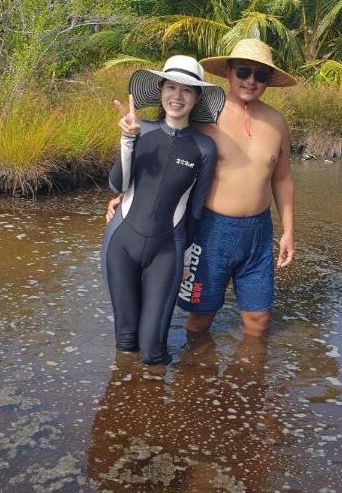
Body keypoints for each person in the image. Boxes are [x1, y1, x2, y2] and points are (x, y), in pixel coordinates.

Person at [109, 38, 297, 339]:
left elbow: (282, 179)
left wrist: (288, 231)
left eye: (260, 76)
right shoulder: (204, 118)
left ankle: (248, 385)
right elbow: (166, 158)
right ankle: (193, 379)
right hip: (211, 231)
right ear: (229, 72)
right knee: (199, 318)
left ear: (268, 82)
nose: (251, 81)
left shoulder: (277, 123)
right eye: (243, 72)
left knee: (259, 321)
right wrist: (125, 196)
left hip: (259, 233)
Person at [101, 56, 225, 365]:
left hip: (167, 250)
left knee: (153, 349)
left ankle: (160, 407)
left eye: (187, 90)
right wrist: (127, 140)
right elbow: (117, 184)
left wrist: (185, 258)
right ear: (160, 90)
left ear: (197, 98)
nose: (177, 96)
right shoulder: (140, 129)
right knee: (126, 341)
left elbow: (195, 211)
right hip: (121, 243)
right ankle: (123, 404)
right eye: (171, 87)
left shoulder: (204, 148)